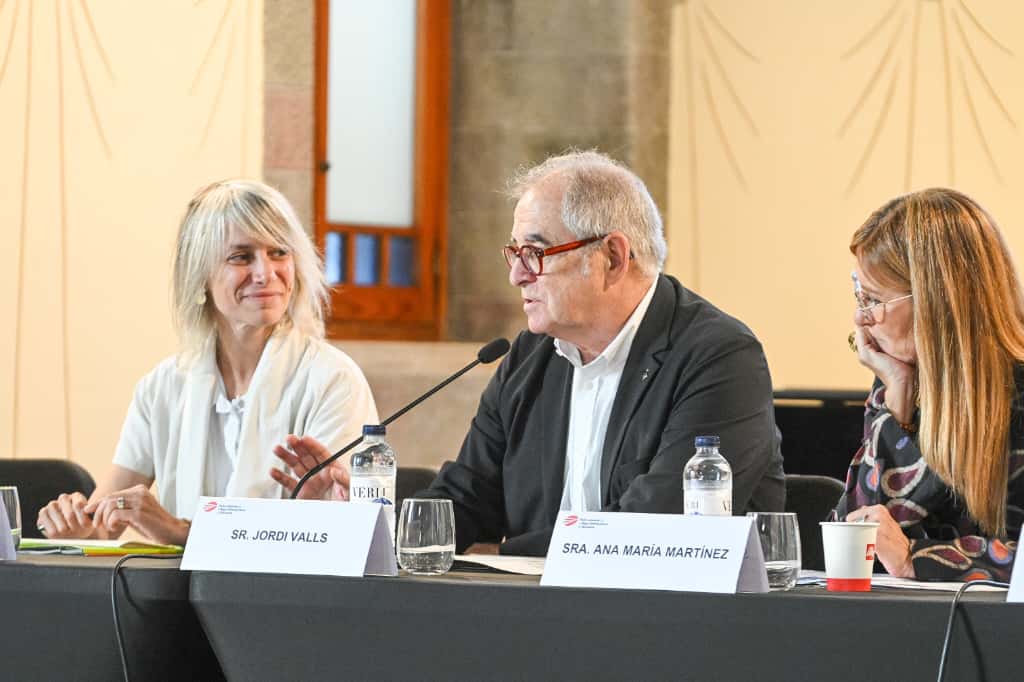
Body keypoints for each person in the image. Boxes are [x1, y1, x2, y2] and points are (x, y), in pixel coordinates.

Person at [413, 150, 785, 555]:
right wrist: (372, 528)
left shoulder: (719, 357)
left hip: (672, 613)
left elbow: (657, 526)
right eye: (515, 254)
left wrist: (505, 553)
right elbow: (468, 497)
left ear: (612, 257)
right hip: (540, 611)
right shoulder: (529, 356)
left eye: (535, 254)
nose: (517, 275)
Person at [36, 180, 377, 545]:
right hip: (176, 598)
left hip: (290, 599)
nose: (265, 273)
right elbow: (104, 520)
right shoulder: (163, 385)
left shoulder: (334, 380)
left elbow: (329, 537)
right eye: (241, 257)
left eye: (279, 252)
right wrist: (75, 526)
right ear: (199, 276)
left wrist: (180, 531)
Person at [839, 188, 1024, 581]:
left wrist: (915, 558)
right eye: (859, 295)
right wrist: (897, 402)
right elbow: (857, 535)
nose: (861, 317)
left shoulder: (1016, 390)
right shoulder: (899, 381)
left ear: (934, 298)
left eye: (872, 299)